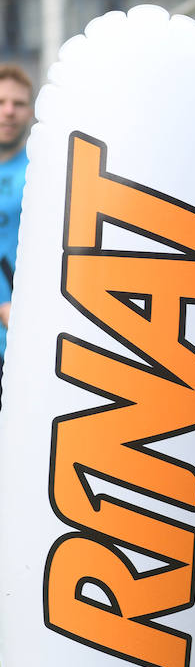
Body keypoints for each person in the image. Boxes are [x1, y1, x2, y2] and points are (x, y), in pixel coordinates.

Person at [0, 63, 34, 409]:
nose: (9, 111)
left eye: (18, 103)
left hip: (20, 342)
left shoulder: (44, 171)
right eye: (1, 101)